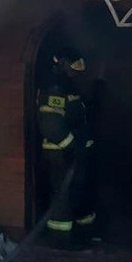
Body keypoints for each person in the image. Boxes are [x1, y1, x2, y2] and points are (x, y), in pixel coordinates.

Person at [37, 47, 98, 247]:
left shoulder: (70, 89)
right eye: (73, 66)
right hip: (60, 155)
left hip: (76, 154)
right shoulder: (54, 90)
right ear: (61, 65)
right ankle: (61, 241)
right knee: (63, 196)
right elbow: (51, 126)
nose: (77, 71)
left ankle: (84, 235)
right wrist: (72, 147)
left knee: (80, 193)